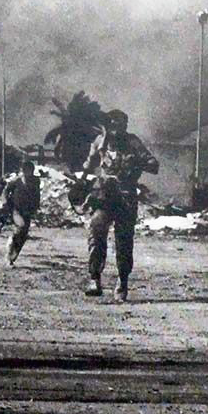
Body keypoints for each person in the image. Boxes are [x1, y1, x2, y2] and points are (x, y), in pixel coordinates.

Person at [81, 109, 158, 302]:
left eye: (121, 126)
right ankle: (94, 278)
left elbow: (153, 164)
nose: (116, 130)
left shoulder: (133, 143)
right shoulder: (100, 143)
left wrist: (137, 164)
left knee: (123, 241)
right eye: (113, 126)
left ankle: (122, 281)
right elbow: (88, 166)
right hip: (104, 196)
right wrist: (85, 178)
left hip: (125, 197)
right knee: (96, 230)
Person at [1, 159, 41, 265]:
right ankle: (10, 245)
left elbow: (37, 194)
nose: (28, 173)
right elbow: (6, 191)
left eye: (30, 171)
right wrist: (5, 203)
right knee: (21, 227)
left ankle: (13, 257)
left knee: (23, 235)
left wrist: (36, 206)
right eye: (25, 170)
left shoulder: (35, 181)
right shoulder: (16, 181)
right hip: (16, 210)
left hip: (28, 211)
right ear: (22, 171)